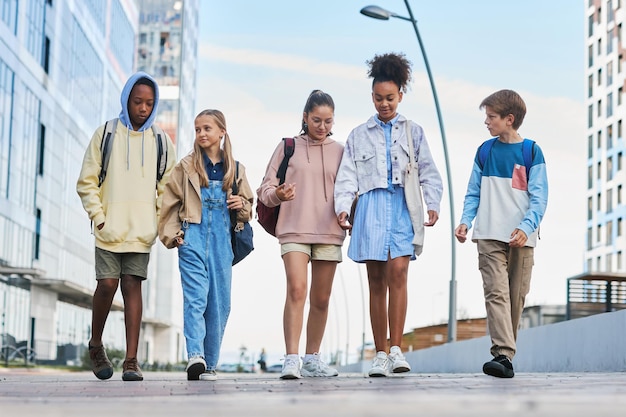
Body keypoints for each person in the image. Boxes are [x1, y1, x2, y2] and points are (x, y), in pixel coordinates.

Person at [334, 53, 443, 378]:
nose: (385, 104)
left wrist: (432, 201)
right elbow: (347, 177)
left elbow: (429, 172)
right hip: (370, 209)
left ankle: (397, 349)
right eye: (379, 98)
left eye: (390, 98)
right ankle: (380, 352)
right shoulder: (358, 135)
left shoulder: (415, 131)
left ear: (401, 96)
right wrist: (343, 207)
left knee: (399, 273)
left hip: (401, 208)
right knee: (376, 281)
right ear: (372, 97)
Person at [77, 71, 177, 381]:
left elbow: (168, 188)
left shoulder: (161, 140)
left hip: (141, 232)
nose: (143, 108)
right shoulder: (105, 134)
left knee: (132, 285)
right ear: (126, 100)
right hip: (109, 229)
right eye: (137, 102)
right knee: (107, 285)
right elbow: (87, 182)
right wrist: (99, 216)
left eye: (149, 103)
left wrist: (157, 223)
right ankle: (96, 345)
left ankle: (131, 361)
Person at [454, 89, 548, 378]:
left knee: (515, 297)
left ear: (509, 119)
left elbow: (539, 197)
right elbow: (473, 192)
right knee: (496, 293)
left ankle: (506, 354)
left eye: (491, 116)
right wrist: (465, 221)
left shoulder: (531, 151)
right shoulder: (485, 151)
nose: (486, 121)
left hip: (522, 238)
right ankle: (503, 355)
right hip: (488, 235)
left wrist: (526, 226)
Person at [158, 109, 254, 381]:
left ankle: (210, 363)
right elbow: (169, 204)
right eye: (198, 129)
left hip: (223, 240)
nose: (201, 133)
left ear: (222, 132)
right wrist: (173, 235)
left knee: (220, 302)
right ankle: (195, 356)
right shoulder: (185, 167)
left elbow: (248, 208)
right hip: (192, 237)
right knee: (196, 298)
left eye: (207, 128)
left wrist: (241, 205)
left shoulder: (236, 169)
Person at [257, 90, 345, 379]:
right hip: (294, 229)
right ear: (305, 117)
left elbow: (348, 192)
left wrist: (350, 214)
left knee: (321, 299)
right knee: (296, 290)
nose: (322, 127)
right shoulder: (288, 147)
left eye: (328, 121)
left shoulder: (342, 151)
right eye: (317, 120)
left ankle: (312, 358)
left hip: (330, 232)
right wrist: (279, 194)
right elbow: (265, 190)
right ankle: (291, 358)